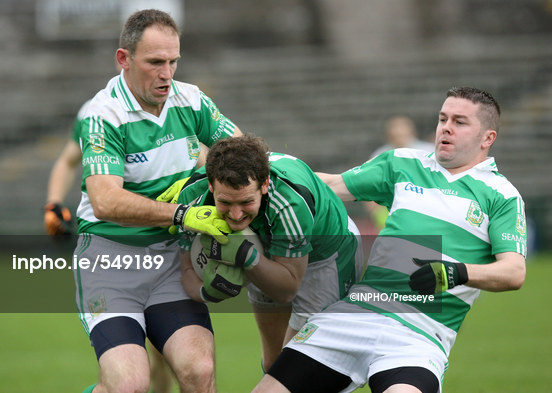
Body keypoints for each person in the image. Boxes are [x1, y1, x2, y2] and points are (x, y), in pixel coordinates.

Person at [252, 87, 527, 393]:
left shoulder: (502, 195)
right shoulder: (402, 162)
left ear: (488, 138)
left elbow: (514, 272)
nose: (446, 127)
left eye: (460, 122)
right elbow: (328, 186)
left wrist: (457, 272)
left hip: (420, 334)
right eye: (442, 118)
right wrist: (264, 171)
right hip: (355, 314)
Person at [75, 9, 242, 393]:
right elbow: (105, 201)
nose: (167, 73)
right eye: (154, 63)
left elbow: (240, 154)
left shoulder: (192, 101)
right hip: (110, 260)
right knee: (130, 384)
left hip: (170, 262)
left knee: (199, 372)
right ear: (124, 59)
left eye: (173, 61)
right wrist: (182, 213)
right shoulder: (103, 115)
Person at [172, 135, 364, 373]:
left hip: (328, 253)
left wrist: (246, 256)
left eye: (245, 202)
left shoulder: (288, 202)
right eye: (225, 203)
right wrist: (206, 292)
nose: (235, 215)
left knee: (304, 368)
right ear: (211, 185)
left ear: (264, 185)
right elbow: (187, 270)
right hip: (263, 246)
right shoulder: (192, 197)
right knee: (274, 363)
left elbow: (287, 289)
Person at [362, 115, 435, 233]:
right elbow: (367, 182)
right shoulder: (381, 155)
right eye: (395, 135)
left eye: (402, 135)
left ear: (412, 133)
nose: (399, 139)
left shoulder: (428, 151)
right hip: (391, 207)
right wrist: (373, 209)